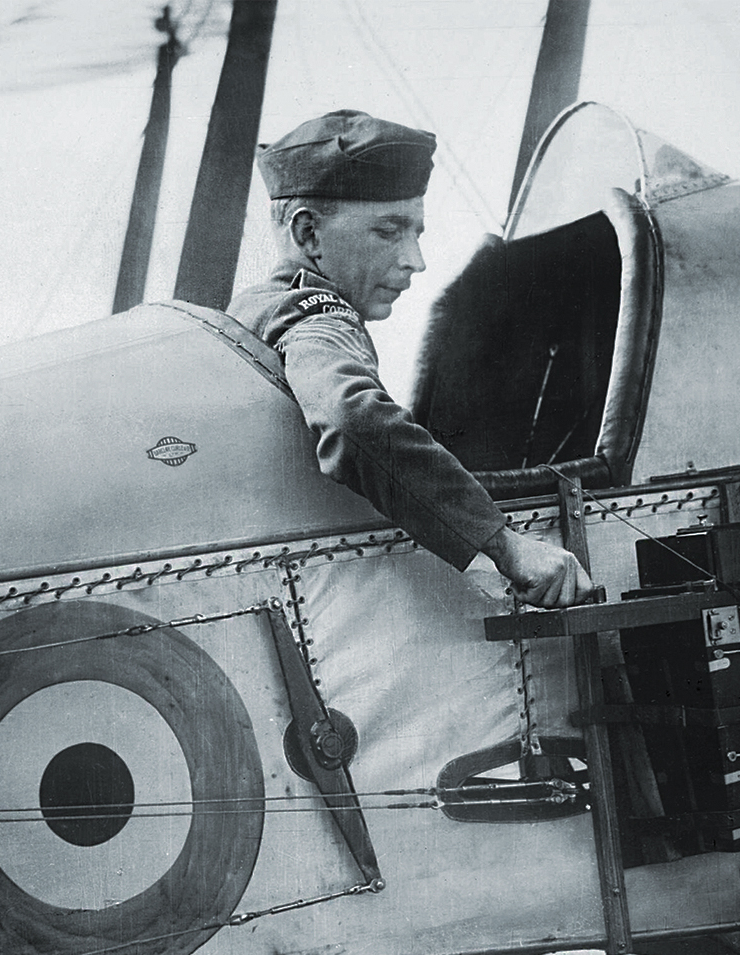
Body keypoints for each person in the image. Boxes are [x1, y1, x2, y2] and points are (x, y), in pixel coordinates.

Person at [227, 109, 594, 609]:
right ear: (308, 233)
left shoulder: (251, 309)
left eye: (416, 233)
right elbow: (351, 417)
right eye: (389, 230)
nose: (414, 260)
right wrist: (505, 545)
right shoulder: (314, 315)